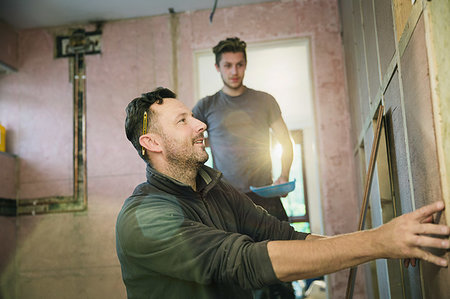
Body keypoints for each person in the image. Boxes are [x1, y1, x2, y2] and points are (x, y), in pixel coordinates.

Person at [116, 87, 450, 299]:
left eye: (193, 116)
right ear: (153, 143)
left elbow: (287, 238)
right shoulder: (144, 218)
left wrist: (384, 243)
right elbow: (245, 262)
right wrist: (380, 241)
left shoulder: (215, 189)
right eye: (183, 120)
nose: (200, 124)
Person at [192, 37, 293, 223]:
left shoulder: (265, 101)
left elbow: (285, 142)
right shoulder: (205, 106)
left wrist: (284, 175)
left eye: (239, 65)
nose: (234, 71)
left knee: (287, 247)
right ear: (217, 67)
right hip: (225, 200)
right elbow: (189, 145)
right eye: (227, 65)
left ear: (245, 65)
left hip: (266, 196)